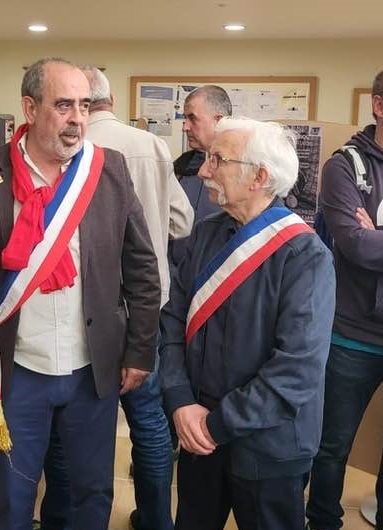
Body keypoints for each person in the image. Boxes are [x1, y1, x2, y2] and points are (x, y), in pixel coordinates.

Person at [0, 57, 161, 530]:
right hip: (19, 369)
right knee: (16, 493)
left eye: (84, 105)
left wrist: (140, 349)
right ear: (29, 107)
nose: (77, 119)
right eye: (63, 105)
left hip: (93, 369)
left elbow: (141, 267)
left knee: (92, 490)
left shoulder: (109, 170)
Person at [160, 117, 335, 530]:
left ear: (259, 175)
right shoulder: (204, 235)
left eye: (216, 160)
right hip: (197, 433)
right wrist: (181, 400)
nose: (203, 170)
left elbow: (296, 370)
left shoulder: (305, 257)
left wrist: (214, 425)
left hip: (269, 448)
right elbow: (171, 322)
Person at [38, 65, 194, 530]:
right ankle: (155, 518)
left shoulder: (61, 150)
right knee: (149, 423)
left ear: (88, 103)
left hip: (82, 310)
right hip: (146, 307)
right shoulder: (151, 145)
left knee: (71, 429)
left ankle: (63, 518)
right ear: (112, 99)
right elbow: (181, 223)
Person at [306, 70, 383, 530]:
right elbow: (353, 244)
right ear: (378, 105)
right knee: (332, 444)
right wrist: (367, 238)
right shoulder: (344, 166)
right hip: (352, 336)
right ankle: (322, 519)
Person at [170, 85, 230, 267]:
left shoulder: (241, 174)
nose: (185, 127)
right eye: (185, 118)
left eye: (192, 119)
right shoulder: (182, 168)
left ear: (218, 120)